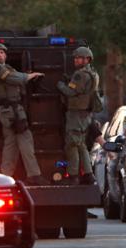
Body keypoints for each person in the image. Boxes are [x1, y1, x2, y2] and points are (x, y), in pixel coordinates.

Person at [0, 43, 49, 185]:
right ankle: (34, 175)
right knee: (25, 140)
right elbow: (14, 79)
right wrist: (30, 75)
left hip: (10, 111)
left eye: (2, 52)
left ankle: (4, 176)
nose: (0, 55)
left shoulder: (6, 68)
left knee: (11, 144)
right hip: (12, 111)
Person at [56, 46, 99, 185]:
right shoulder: (93, 73)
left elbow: (70, 92)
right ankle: (88, 174)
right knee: (81, 145)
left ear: (87, 59)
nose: (76, 60)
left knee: (72, 145)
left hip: (76, 114)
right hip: (85, 114)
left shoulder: (80, 75)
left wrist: (60, 85)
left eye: (79, 58)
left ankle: (73, 175)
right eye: (75, 57)